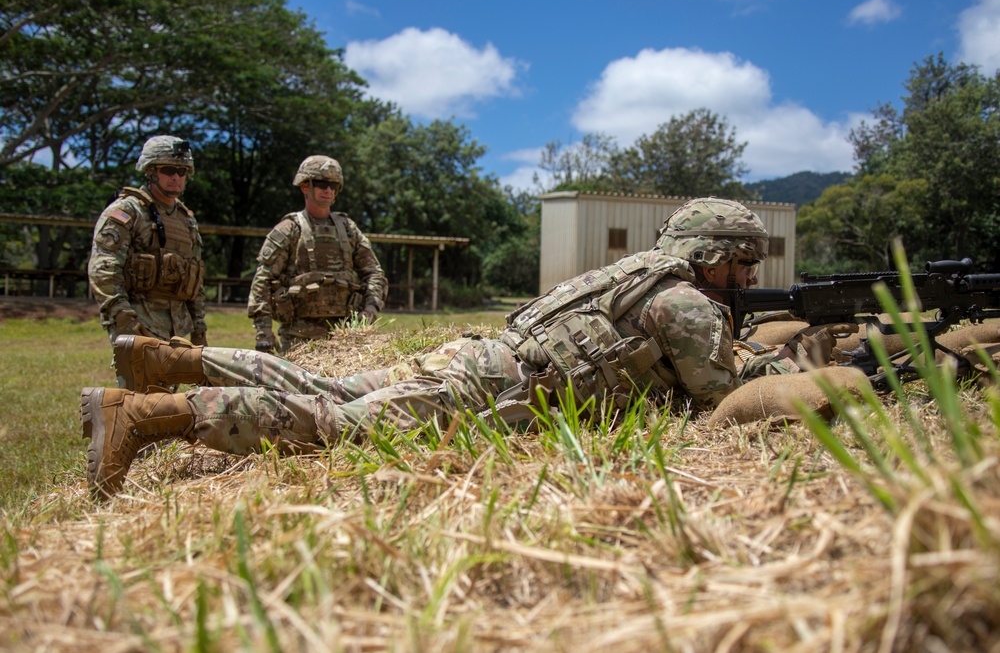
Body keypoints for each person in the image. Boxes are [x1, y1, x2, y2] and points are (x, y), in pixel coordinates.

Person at [81, 198, 839, 500]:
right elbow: (720, 396)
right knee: (334, 422)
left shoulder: (639, 273)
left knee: (327, 387)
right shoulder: (684, 303)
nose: (746, 276)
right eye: (741, 262)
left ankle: (169, 357)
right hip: (497, 388)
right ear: (711, 252)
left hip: (485, 359)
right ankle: (147, 414)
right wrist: (803, 358)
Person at [247, 155, 388, 353]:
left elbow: (374, 273)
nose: (328, 190)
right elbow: (263, 280)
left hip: (345, 336)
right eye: (321, 184)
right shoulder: (289, 229)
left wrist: (368, 313)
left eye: (333, 185)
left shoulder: (348, 229)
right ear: (305, 186)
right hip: (298, 337)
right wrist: (263, 332)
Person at [88, 135, 207, 347]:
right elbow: (103, 268)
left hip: (177, 325)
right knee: (141, 380)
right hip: (138, 318)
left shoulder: (186, 219)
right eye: (168, 171)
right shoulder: (128, 211)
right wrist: (124, 317)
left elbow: (195, 276)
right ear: (150, 172)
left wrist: (199, 327)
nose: (176, 177)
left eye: (182, 172)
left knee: (170, 381)